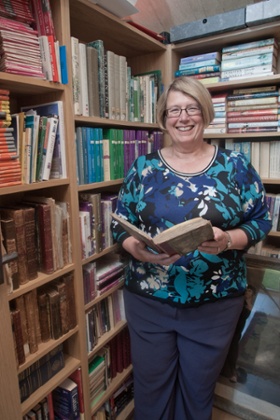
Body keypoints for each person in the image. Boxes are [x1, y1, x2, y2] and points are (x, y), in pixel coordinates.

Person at [111, 76, 272, 420]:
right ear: (164, 118)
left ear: (205, 113)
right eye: (174, 110)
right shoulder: (144, 168)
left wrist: (228, 239)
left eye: (191, 108)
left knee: (198, 390)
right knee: (151, 387)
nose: (183, 117)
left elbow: (260, 220)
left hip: (215, 304)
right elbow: (118, 221)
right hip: (148, 298)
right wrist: (135, 247)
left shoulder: (237, 166)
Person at [221, 284, 256, 383]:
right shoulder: (239, 301)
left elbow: (244, 316)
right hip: (230, 327)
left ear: (252, 294)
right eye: (247, 290)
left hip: (237, 330)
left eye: (250, 291)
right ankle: (226, 370)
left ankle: (232, 373)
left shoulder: (248, 304)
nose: (247, 292)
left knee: (232, 350)